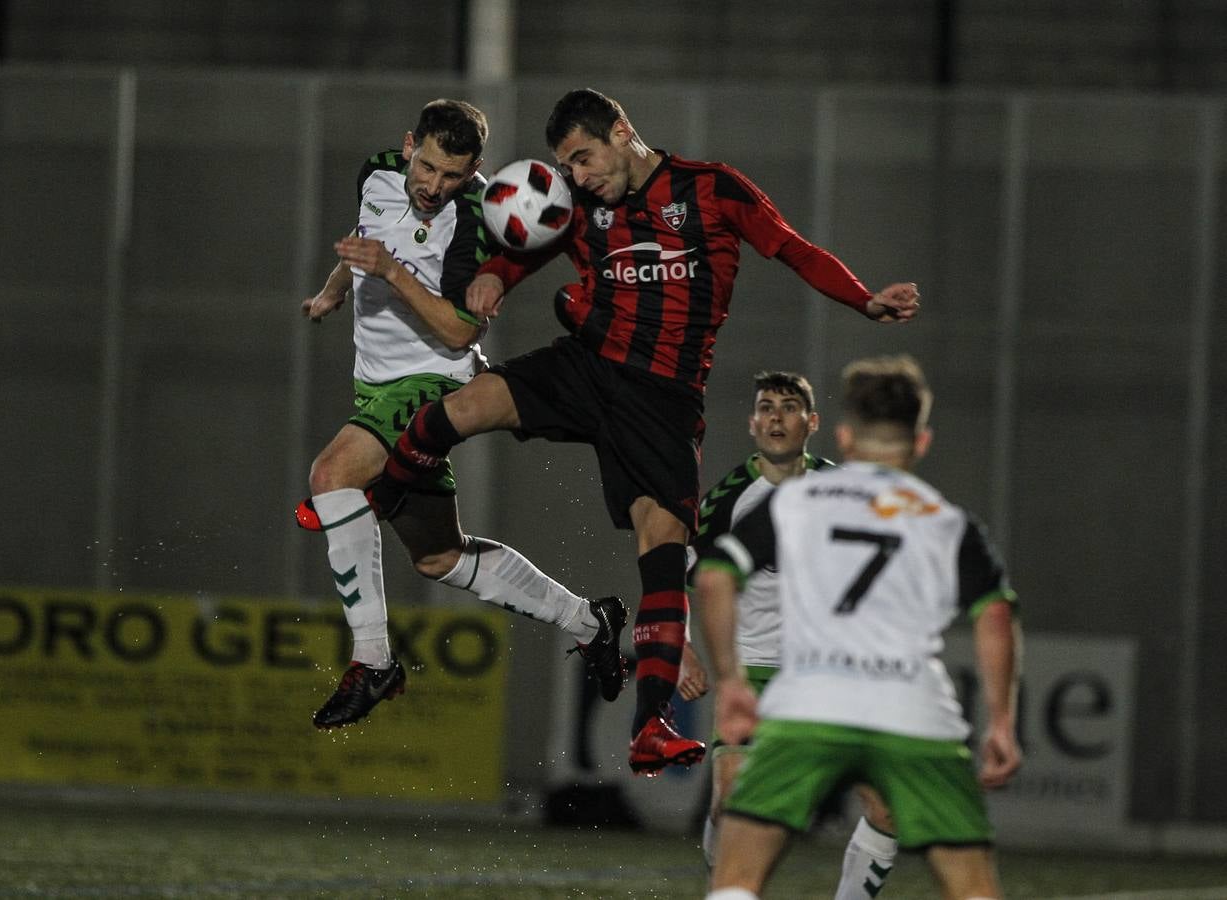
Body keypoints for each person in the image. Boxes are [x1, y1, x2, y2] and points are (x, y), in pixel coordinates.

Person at [364, 88, 921, 774]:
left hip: (662, 398)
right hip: (587, 366)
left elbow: (793, 249)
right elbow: (523, 250)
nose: (579, 176)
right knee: (466, 405)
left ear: (622, 131)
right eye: (566, 166)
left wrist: (863, 298)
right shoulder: (576, 204)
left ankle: (651, 724)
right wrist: (491, 277)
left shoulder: (710, 189)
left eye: (585, 158)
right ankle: (385, 490)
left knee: (662, 550)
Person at [298, 98, 627, 730]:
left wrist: (392, 273)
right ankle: (590, 620)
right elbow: (366, 243)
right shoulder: (376, 173)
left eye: (452, 176)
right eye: (426, 168)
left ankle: (373, 662)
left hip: (431, 382)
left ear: (474, 169)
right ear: (407, 146)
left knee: (331, 475)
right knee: (438, 558)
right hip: (373, 385)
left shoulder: (478, 217)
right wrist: (332, 292)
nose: (433, 186)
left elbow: (455, 331)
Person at [694, 355, 1021, 900]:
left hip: (809, 701)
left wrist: (728, 679)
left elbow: (714, 577)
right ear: (921, 443)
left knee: (738, 874)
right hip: (911, 710)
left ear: (842, 436)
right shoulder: (946, 520)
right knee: (971, 887)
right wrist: (1003, 722)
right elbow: (996, 614)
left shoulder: (797, 503)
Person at [690, 370, 898, 898]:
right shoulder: (727, 501)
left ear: (812, 422)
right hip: (756, 673)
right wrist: (685, 648)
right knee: (730, 805)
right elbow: (686, 577)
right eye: (766, 406)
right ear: (753, 423)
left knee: (887, 808)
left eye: (788, 406)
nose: (776, 417)